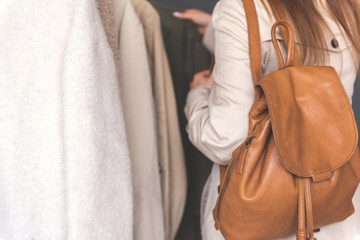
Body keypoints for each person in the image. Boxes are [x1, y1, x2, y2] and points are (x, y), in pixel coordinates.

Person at [183, 0, 360, 239]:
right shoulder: (347, 6)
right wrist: (217, 28)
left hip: (263, 208)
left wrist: (197, 95)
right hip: (337, 196)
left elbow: (225, 142)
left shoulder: (238, 9)